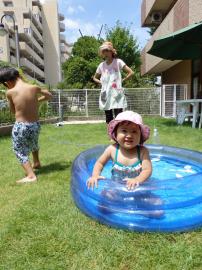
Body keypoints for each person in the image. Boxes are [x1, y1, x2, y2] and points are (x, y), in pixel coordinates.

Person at [0, 67, 52, 184]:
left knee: (18, 150)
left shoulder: (10, 92)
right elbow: (49, 96)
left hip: (21, 126)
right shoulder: (34, 88)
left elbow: (13, 111)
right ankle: (37, 163)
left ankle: (30, 176)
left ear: (7, 82)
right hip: (35, 125)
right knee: (33, 143)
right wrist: (36, 101)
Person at [87, 111, 151, 190]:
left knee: (156, 201)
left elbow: (147, 170)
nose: (129, 135)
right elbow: (100, 163)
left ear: (140, 135)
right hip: (116, 187)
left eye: (134, 131)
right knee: (106, 196)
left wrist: (137, 179)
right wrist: (95, 175)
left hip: (138, 187)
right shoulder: (112, 149)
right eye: (124, 131)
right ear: (116, 133)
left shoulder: (142, 151)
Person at [93, 41, 134, 125]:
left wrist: (123, 80)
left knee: (119, 117)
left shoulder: (118, 62)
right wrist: (102, 83)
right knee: (108, 118)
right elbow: (94, 78)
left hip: (116, 93)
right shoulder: (101, 65)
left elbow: (131, 72)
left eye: (107, 50)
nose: (105, 53)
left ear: (111, 52)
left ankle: (119, 136)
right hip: (106, 93)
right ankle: (111, 137)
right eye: (104, 51)